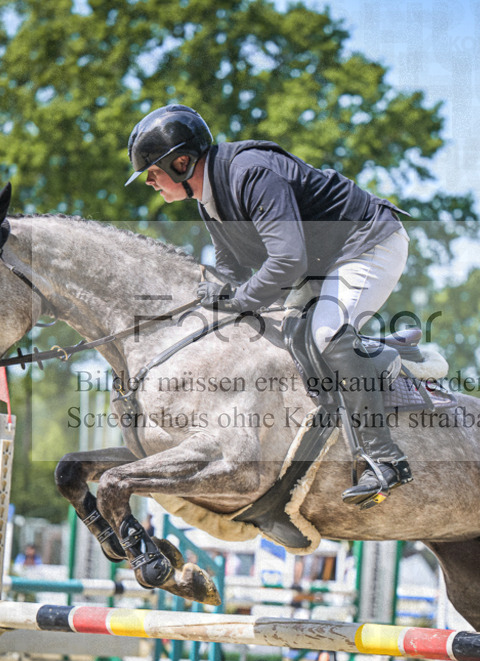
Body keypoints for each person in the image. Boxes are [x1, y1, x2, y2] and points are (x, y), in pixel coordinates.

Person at [126, 104, 412, 508]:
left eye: (152, 173)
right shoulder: (209, 196)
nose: (149, 183)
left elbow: (287, 260)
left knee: (325, 334)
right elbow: (231, 265)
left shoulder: (250, 172)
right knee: (278, 335)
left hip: (368, 242)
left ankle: (385, 460)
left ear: (181, 162)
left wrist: (239, 300)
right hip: (323, 263)